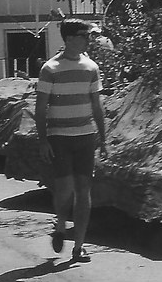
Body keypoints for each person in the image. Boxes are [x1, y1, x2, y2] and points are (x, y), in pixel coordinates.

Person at [34, 19, 107, 263]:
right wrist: (43, 140)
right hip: (59, 137)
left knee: (84, 191)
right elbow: (41, 107)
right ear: (70, 39)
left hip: (85, 137)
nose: (88, 39)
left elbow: (97, 105)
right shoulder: (50, 68)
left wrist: (103, 138)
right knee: (65, 189)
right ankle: (61, 224)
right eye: (84, 35)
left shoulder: (91, 67)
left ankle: (78, 246)